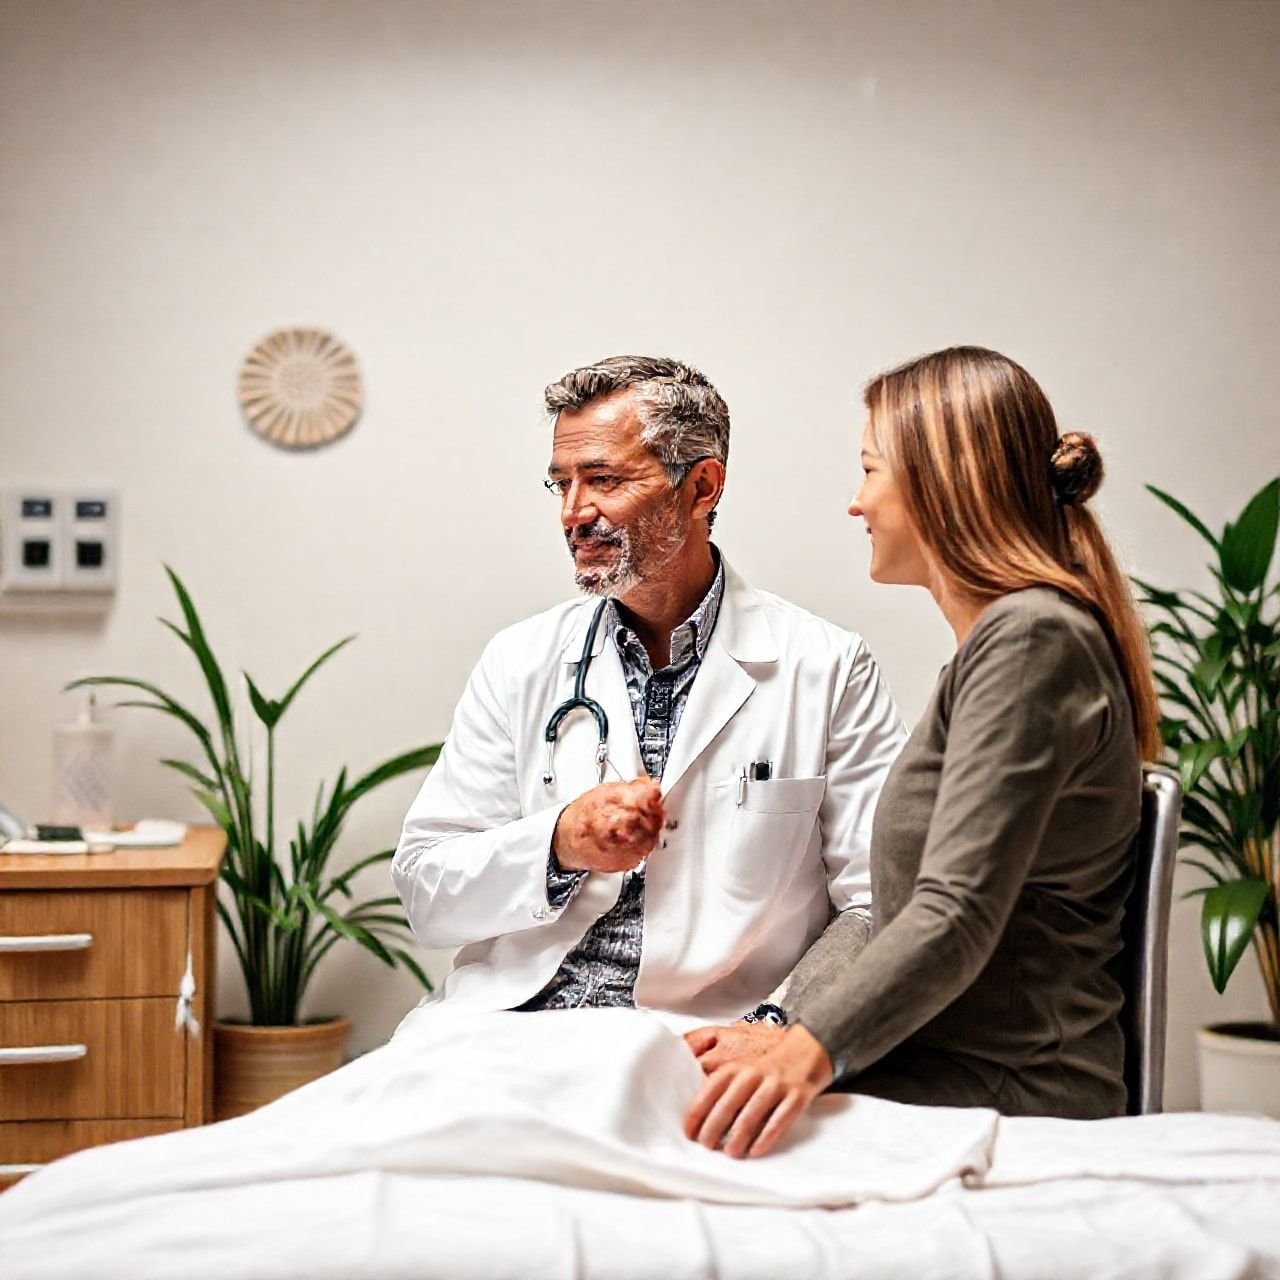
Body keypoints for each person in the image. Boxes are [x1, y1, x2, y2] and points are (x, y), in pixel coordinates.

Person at [683, 345, 1160, 1158]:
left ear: (945, 484)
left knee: (660, 1125)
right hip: (938, 1067)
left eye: (870, 470)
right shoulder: (1004, 649)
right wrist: (787, 1025)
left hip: (1011, 1092)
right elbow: (898, 913)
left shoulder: (1032, 642)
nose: (856, 502)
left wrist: (805, 1051)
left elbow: (954, 913)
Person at [392, 355, 905, 1021]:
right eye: (561, 484)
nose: (574, 513)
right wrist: (559, 843)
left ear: (701, 488)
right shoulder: (519, 660)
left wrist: (782, 1025)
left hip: (713, 1030)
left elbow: (879, 899)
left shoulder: (828, 666)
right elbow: (425, 891)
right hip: (515, 1022)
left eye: (603, 480)